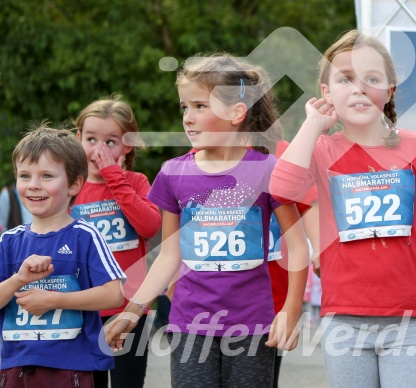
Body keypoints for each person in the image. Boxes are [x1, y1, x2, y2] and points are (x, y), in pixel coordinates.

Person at [269, 29, 416, 387]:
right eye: (345, 79)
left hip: (407, 322)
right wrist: (313, 125)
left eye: (372, 79)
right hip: (342, 322)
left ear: (389, 89)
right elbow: (282, 189)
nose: (359, 88)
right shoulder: (322, 151)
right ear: (326, 92)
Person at [105, 53, 309, 387]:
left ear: (236, 113)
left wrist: (291, 308)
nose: (188, 117)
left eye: (200, 106)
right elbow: (169, 255)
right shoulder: (173, 173)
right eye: (184, 107)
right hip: (189, 325)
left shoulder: (268, 170)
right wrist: (133, 310)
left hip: (253, 326)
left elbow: (298, 247)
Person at [0, 125, 125, 387]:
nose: (34, 185)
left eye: (47, 176)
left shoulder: (85, 235)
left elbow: (114, 294)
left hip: (71, 368)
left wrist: (54, 300)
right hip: (12, 366)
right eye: (25, 175)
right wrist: (17, 280)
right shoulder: (8, 241)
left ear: (74, 184)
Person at [70, 96, 162, 388]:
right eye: (91, 139)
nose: (100, 150)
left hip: (130, 310)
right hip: (83, 311)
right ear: (78, 139)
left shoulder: (136, 182)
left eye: (111, 142)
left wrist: (113, 176)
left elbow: (149, 225)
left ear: (128, 145)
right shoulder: (70, 189)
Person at [267, 139, 319, 388]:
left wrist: (319, 247)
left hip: (270, 303)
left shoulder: (283, 152)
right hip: (205, 300)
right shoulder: (202, 154)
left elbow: (308, 202)